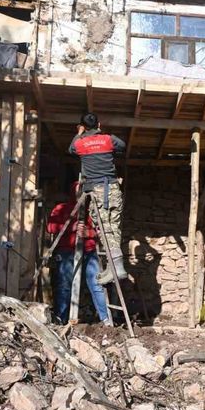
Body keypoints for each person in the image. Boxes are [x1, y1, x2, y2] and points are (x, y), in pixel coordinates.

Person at [69, 112, 128, 285]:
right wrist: (102, 136)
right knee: (113, 227)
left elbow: (71, 148)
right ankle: (113, 267)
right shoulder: (108, 139)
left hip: (98, 190)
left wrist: (79, 133)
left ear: (82, 126)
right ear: (99, 124)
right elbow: (122, 145)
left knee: (104, 229)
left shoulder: (80, 143)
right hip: (114, 189)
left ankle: (117, 268)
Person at [47, 182, 112, 326]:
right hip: (67, 252)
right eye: (79, 189)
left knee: (97, 284)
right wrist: (72, 227)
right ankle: (61, 319)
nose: (81, 192)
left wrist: (87, 232)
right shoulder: (61, 208)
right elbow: (51, 227)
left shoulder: (93, 210)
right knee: (64, 286)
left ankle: (106, 319)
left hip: (88, 251)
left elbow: (101, 231)